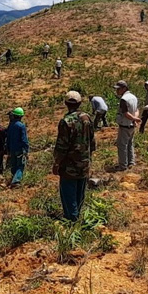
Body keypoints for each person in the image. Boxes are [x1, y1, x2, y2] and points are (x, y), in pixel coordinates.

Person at [53, 90, 95, 221]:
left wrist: (56, 163)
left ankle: (72, 219)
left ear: (66, 103)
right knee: (80, 192)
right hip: (84, 162)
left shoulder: (66, 121)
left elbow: (62, 146)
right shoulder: (87, 118)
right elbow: (92, 141)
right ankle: (77, 216)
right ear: (80, 103)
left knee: (68, 192)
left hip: (69, 165)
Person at [113, 81, 140, 171]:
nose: (117, 91)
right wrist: (135, 119)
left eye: (118, 89)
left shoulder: (124, 99)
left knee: (122, 145)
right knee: (130, 144)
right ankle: (131, 162)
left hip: (125, 125)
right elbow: (136, 110)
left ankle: (123, 165)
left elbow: (125, 113)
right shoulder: (133, 97)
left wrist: (134, 119)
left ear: (124, 88)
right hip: (131, 125)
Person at [6, 107, 29, 187]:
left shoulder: (10, 126)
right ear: (21, 116)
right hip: (19, 149)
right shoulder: (21, 126)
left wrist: (8, 149)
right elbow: (24, 139)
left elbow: (8, 138)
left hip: (12, 149)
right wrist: (26, 150)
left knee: (14, 165)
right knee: (20, 165)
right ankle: (16, 181)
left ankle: (13, 178)